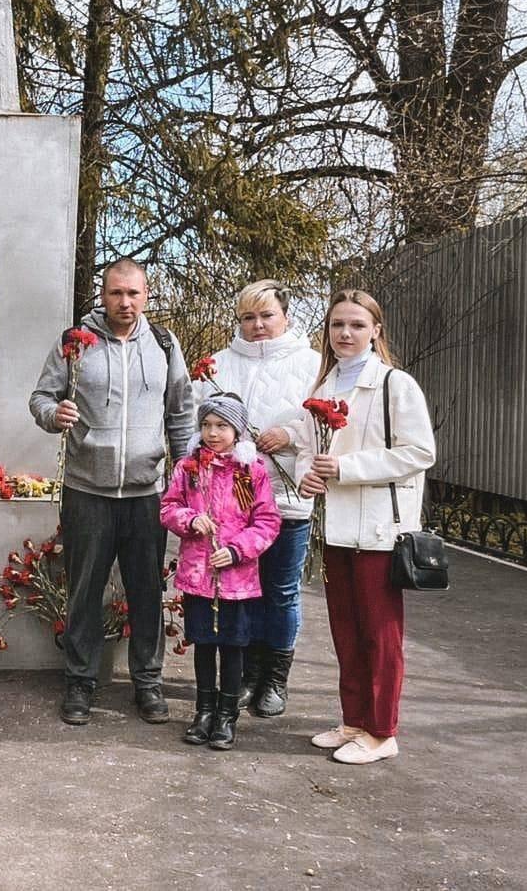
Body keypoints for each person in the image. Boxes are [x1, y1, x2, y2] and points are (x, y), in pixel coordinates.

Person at [29, 257, 195, 726]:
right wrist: (52, 414)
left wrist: (182, 472)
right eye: (116, 292)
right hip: (88, 489)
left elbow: (181, 411)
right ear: (103, 294)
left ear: (146, 295)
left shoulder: (164, 344)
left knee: (146, 591)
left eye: (134, 293)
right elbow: (40, 397)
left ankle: (148, 682)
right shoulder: (75, 344)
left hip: (146, 493)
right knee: (85, 590)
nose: (125, 302)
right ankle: (80, 683)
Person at [296, 289, 436, 764]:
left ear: (376, 330)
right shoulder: (323, 388)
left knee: (380, 634)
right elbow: (304, 450)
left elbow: (420, 453)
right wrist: (308, 474)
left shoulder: (396, 385)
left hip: (380, 528)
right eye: (338, 325)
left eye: (356, 325)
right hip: (334, 527)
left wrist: (345, 468)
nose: (346, 334)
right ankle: (354, 720)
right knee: (345, 630)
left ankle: (382, 730)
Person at [202, 280, 320, 718]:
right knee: (242, 590)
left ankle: (275, 677)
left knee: (281, 590)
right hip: (231, 505)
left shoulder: (312, 364)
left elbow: (325, 426)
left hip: (287, 496)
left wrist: (289, 436)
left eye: (267, 315)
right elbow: (204, 426)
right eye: (248, 317)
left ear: (286, 316)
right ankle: (247, 673)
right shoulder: (218, 365)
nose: (258, 326)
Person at [160, 395, 281, 749]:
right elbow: (169, 507)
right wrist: (189, 519)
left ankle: (227, 716)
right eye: (207, 425)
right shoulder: (189, 468)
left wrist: (237, 550)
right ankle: (203, 711)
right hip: (199, 578)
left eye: (222, 426)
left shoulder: (251, 472)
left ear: (237, 430)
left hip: (236, 581)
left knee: (232, 647)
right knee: (203, 645)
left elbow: (267, 521)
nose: (213, 433)